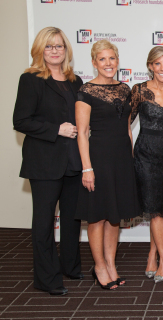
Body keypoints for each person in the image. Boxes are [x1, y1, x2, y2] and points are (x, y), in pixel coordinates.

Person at [13, 27, 83, 296]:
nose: (55, 50)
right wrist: (56, 129)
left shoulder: (74, 81)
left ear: (66, 50)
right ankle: (46, 278)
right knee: (43, 222)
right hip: (43, 162)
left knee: (72, 219)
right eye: (49, 46)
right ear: (40, 50)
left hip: (73, 161)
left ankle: (70, 266)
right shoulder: (30, 80)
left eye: (60, 46)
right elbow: (21, 121)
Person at [75, 40, 141, 290]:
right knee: (98, 216)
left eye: (112, 58)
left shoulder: (125, 89)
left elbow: (127, 128)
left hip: (122, 159)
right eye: (102, 59)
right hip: (98, 159)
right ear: (94, 62)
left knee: (115, 217)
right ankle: (99, 267)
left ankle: (111, 264)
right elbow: (82, 133)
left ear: (117, 60)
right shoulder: (86, 91)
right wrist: (87, 168)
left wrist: (131, 159)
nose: (108, 63)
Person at [130, 46, 163, 283]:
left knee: (157, 208)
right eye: (158, 63)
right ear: (150, 66)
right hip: (146, 154)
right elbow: (125, 124)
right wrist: (125, 154)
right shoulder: (138, 90)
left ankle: (152, 254)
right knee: (155, 209)